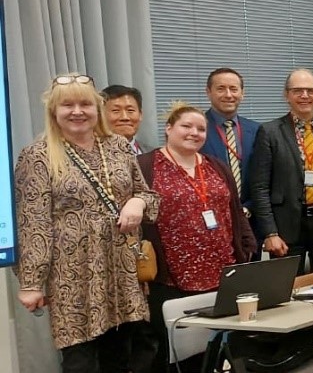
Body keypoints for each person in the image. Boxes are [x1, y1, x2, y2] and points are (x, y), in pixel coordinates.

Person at [15, 74, 159, 373]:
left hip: (120, 268)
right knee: (80, 361)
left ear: (97, 109)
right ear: (54, 111)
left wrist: (138, 202)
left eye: (85, 104)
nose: (77, 111)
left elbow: (147, 193)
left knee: (119, 356)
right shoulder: (37, 155)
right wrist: (31, 282)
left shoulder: (118, 146)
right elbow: (32, 223)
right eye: (67, 105)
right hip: (72, 275)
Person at [139, 103, 256, 373]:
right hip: (171, 277)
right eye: (186, 126)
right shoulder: (145, 166)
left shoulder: (215, 166)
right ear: (168, 128)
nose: (194, 133)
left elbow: (234, 210)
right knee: (175, 351)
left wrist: (247, 247)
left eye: (201, 128)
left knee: (216, 346)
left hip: (221, 271)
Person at [250, 69, 313, 272]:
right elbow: (260, 187)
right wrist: (270, 233)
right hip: (286, 226)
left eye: (310, 90)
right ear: (286, 95)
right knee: (285, 291)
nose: (304, 96)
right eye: (297, 90)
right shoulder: (270, 132)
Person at [200, 68, 261, 237]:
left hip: (251, 220)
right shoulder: (196, 130)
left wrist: (248, 207)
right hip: (211, 221)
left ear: (242, 93)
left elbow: (264, 178)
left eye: (234, 89)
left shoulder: (257, 130)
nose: (228, 95)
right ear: (208, 92)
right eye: (221, 89)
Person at [102, 84, 144, 154]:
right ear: (101, 115)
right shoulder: (93, 155)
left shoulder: (154, 155)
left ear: (140, 114)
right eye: (116, 110)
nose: (125, 117)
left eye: (130, 110)